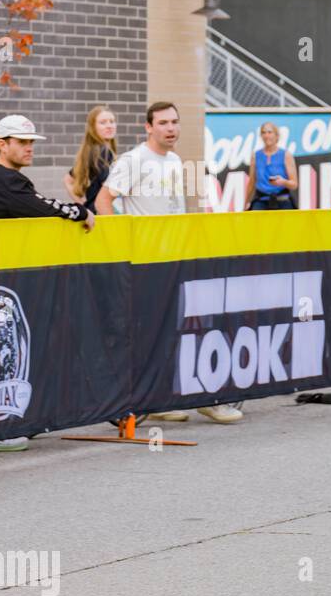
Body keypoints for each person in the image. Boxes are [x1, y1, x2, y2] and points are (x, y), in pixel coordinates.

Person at [96, 102, 243, 425]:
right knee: (155, 332)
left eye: (175, 122)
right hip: (146, 263)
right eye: (163, 122)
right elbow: (103, 200)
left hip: (175, 258)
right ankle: (197, 399)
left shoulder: (176, 160)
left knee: (178, 329)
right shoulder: (133, 160)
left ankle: (166, 399)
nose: (171, 128)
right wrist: (125, 244)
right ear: (148, 127)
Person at [0, 115, 94, 451]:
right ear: (2, 145)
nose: (29, 148)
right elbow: (43, 208)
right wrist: (80, 212)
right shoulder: (6, 180)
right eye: (22, 142)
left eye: (32, 142)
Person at [64, 106, 118, 215]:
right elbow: (111, 189)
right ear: (93, 127)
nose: (109, 126)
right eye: (103, 123)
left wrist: (85, 206)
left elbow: (67, 180)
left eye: (112, 122)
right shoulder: (102, 152)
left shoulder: (92, 150)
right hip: (104, 212)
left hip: (95, 211)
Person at [245, 122, 298, 210]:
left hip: (282, 199)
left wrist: (283, 182)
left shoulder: (286, 155)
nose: (266, 135)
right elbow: (252, 182)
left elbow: (294, 184)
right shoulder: (255, 155)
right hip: (261, 200)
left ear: (276, 135)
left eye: (269, 132)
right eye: (263, 132)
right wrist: (246, 202)